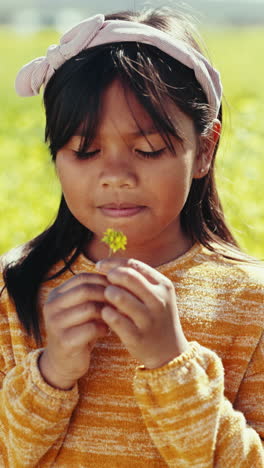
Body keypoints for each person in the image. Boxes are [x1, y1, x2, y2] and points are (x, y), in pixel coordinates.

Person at [0, 7, 263, 467]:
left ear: (204, 150)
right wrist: (52, 371)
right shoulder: (16, 286)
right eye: (85, 151)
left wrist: (172, 364)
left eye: (148, 150)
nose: (116, 176)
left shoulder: (250, 302)